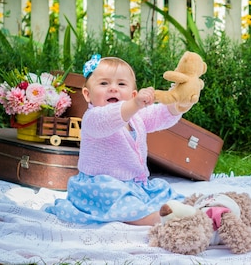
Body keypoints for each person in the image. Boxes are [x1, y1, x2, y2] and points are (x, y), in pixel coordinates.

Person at [45, 54, 197, 226]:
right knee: (119, 197)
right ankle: (155, 219)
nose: (113, 88)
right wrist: (135, 104)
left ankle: (189, 210)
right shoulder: (93, 118)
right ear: (87, 94)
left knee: (162, 190)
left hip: (135, 184)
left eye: (121, 84)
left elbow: (160, 115)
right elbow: (111, 117)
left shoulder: (136, 117)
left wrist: (179, 104)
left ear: (132, 93)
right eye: (104, 83)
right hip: (100, 187)